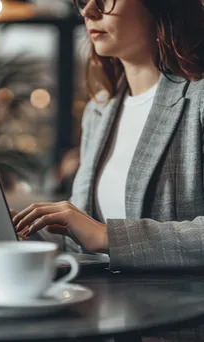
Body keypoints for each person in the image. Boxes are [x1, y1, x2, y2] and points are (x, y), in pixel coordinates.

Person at [12, 0, 204, 271]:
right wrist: (26, 229)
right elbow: (83, 242)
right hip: (102, 304)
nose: (88, 11)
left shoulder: (199, 99)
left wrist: (107, 236)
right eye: (83, 1)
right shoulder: (99, 112)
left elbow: (98, 236)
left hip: (180, 308)